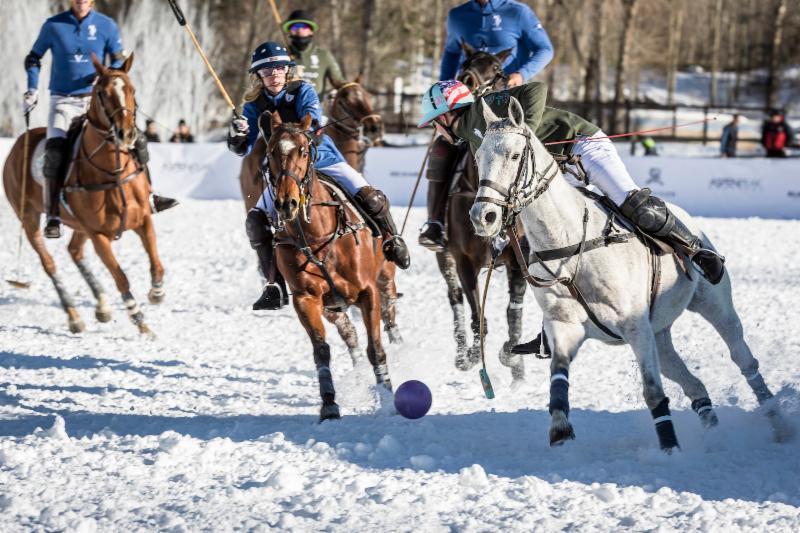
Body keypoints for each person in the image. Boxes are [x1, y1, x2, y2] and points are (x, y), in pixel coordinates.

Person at [419, 80, 727, 353]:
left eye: (434, 122)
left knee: (634, 204)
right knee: (548, 240)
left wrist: (529, 133)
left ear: (446, 115)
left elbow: (536, 89)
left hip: (583, 146)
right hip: (557, 172)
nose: (436, 129)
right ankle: (549, 330)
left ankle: (696, 251)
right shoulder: (475, 140)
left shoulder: (485, 107)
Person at [227, 42, 410, 311]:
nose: (273, 75)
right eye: (266, 71)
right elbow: (242, 148)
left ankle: (392, 241)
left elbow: (312, 121)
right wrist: (239, 132)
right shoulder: (254, 103)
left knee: (370, 196)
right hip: (285, 171)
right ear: (258, 76)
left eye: (278, 68)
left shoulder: (303, 90)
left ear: (287, 71)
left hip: (323, 158)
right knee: (255, 221)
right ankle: (274, 284)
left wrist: (300, 135)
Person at [23, 0, 176, 238]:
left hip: (99, 100)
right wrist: (32, 88)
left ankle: (149, 197)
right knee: (54, 152)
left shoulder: (106, 25)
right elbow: (34, 58)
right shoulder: (53, 25)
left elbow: (118, 60)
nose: (81, 1)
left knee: (136, 139)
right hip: (63, 101)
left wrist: (109, 77)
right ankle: (53, 213)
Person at [420, 0, 554, 250]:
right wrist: (443, 95)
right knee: (442, 148)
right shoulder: (457, 15)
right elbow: (451, 54)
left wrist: (521, 74)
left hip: (511, 100)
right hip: (469, 100)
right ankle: (435, 223)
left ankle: (544, 225)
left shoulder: (518, 12)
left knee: (535, 149)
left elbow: (545, 49)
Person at [282, 9, 344, 98]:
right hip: (286, 109)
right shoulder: (282, 55)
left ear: (311, 31)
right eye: (295, 27)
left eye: (304, 27)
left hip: (316, 109)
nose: (299, 30)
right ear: (289, 31)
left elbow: (339, 82)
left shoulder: (324, 55)